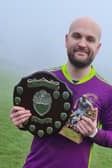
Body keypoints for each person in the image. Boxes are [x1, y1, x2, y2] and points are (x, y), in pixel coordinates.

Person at [10, 16, 112, 168]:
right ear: (66, 40)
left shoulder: (107, 91)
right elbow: (31, 120)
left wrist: (94, 132)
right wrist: (21, 121)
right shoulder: (41, 79)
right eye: (77, 36)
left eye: (90, 39)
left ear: (98, 47)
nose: (82, 43)